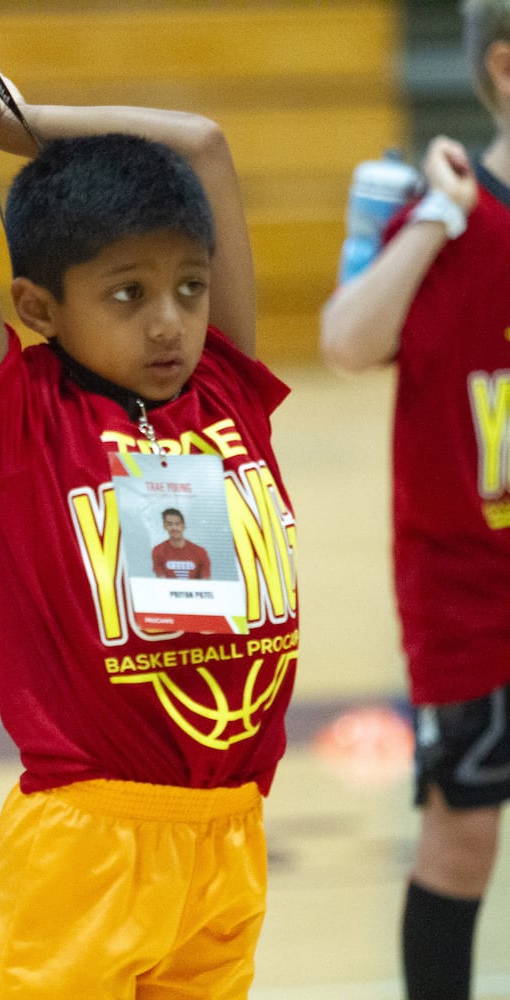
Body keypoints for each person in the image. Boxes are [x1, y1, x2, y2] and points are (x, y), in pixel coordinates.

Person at [0, 10, 299, 997]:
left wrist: (24, 123)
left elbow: (201, 144)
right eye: (128, 294)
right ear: (41, 310)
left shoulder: (226, 384)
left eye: (189, 287)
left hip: (229, 838)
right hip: (85, 845)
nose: (171, 320)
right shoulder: (24, 412)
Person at [319, 2, 510, 995]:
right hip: (469, 596)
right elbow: (348, 343)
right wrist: (433, 222)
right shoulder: (448, 212)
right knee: (462, 835)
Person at [152, 508, 211, 579]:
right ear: (165, 527)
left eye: (177, 524)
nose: (174, 528)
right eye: (169, 524)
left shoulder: (200, 552)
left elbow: (205, 582)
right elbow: (162, 581)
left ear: (183, 526)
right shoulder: (158, 551)